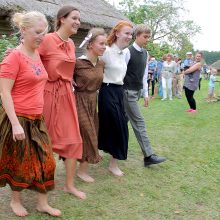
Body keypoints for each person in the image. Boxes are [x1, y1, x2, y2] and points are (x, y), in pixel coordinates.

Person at [0, 11, 61, 217]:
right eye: (37, 32)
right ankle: (15, 201)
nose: (41, 36)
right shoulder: (13, 57)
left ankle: (42, 203)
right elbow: (4, 92)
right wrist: (15, 124)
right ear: (23, 30)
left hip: (37, 118)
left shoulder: (36, 53)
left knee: (46, 161)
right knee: (19, 162)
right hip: (18, 118)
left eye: (44, 32)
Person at [38, 6, 85, 199]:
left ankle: (69, 185)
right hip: (47, 94)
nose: (77, 22)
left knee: (74, 140)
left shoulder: (72, 44)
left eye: (79, 19)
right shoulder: (48, 39)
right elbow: (29, 58)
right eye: (74, 18)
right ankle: (39, 187)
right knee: (44, 142)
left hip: (66, 94)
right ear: (61, 19)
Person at [123, 24, 166, 167]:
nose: (147, 39)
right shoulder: (127, 52)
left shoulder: (146, 54)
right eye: (145, 37)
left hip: (137, 93)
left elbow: (143, 75)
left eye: (149, 37)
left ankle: (108, 146)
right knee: (139, 122)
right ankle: (148, 156)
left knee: (121, 122)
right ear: (137, 35)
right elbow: (120, 74)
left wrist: (146, 93)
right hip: (127, 92)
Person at [98, 21, 133, 176]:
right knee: (118, 126)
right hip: (106, 91)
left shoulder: (125, 53)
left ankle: (106, 156)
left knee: (115, 125)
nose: (129, 36)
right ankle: (113, 164)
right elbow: (90, 61)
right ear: (117, 33)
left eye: (131, 34)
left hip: (119, 92)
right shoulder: (106, 51)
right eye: (126, 33)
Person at [74, 28, 107, 182]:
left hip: (93, 102)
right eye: (101, 43)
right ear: (90, 45)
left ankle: (81, 168)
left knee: (90, 132)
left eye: (105, 44)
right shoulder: (77, 62)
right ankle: (81, 171)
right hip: (78, 101)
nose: (104, 47)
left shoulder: (101, 63)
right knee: (88, 133)